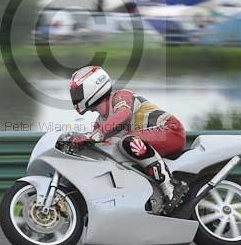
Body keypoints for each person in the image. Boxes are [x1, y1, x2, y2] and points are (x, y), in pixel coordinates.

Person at [68, 65, 188, 213]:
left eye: (78, 92)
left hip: (170, 130)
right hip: (148, 142)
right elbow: (100, 147)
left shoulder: (120, 96)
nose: (75, 96)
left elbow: (123, 115)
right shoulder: (99, 123)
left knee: (128, 141)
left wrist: (95, 135)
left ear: (93, 86)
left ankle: (171, 187)